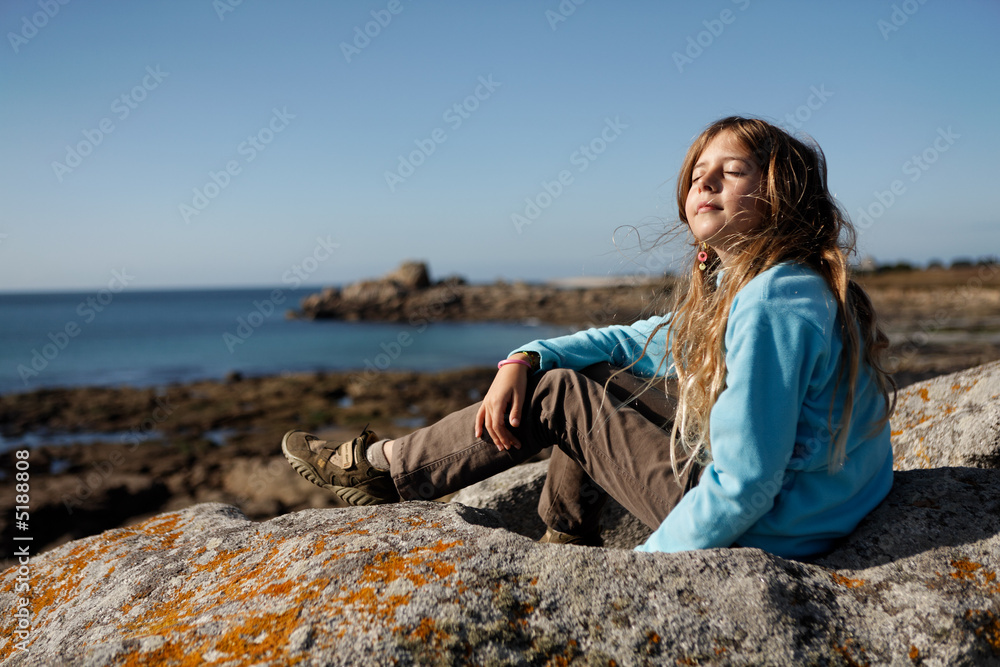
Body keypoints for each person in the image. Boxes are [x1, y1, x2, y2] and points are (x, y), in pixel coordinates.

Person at [281, 116, 897, 560]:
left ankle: (389, 473)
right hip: (822, 501)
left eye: (730, 172)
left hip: (779, 525)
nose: (703, 185)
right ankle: (565, 533)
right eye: (695, 176)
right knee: (584, 374)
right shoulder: (769, 282)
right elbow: (635, 342)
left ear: (779, 194)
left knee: (562, 398)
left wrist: (647, 571)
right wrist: (527, 354)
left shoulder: (770, 301)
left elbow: (748, 481)